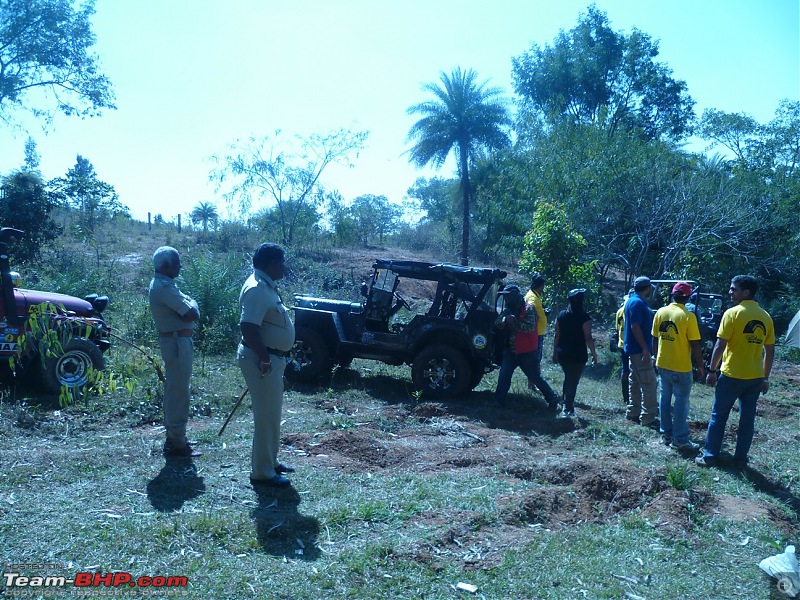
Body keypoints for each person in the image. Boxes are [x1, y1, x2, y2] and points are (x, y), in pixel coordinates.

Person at [696, 275, 775, 468]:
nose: (730, 292)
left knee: (719, 416)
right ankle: (740, 459)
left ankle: (710, 457)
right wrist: (765, 377)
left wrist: (712, 370)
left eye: (734, 289)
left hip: (732, 376)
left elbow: (719, 345)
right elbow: (770, 350)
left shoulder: (732, 313)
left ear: (745, 292)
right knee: (747, 420)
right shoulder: (765, 316)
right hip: (755, 377)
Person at [238, 243, 296, 487]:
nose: (284, 266)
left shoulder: (266, 286)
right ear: (272, 263)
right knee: (265, 415)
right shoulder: (258, 289)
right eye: (282, 261)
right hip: (262, 360)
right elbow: (248, 326)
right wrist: (264, 358)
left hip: (271, 358)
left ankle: (270, 462)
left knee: (272, 413)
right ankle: (262, 472)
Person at [148, 246, 201, 457]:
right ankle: (177, 442)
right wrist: (192, 303)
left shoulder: (166, 285)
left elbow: (188, 311)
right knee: (178, 391)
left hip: (178, 342)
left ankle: (176, 436)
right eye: (177, 262)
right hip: (177, 343)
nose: (180, 266)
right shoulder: (164, 288)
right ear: (167, 265)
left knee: (177, 389)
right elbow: (192, 312)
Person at [652, 282, 705, 450]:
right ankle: (680, 439)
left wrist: (655, 357)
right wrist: (701, 366)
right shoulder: (688, 316)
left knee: (664, 399)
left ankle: (666, 434)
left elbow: (655, 338)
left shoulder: (661, 312)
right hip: (681, 366)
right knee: (681, 401)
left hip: (663, 363)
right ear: (688, 297)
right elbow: (695, 344)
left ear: (672, 295)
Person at [552, 289, 598, 417]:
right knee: (573, 381)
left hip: (563, 354)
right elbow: (588, 338)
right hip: (578, 355)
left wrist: (554, 352)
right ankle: (568, 409)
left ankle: (566, 405)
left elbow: (557, 335)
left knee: (568, 378)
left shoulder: (561, 315)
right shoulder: (584, 317)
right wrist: (594, 354)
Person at [624, 276, 658, 428]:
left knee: (635, 381)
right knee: (649, 382)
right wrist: (645, 349)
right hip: (638, 350)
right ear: (647, 288)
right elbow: (635, 327)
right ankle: (648, 417)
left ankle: (633, 412)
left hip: (633, 349)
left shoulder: (632, 300)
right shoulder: (637, 303)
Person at [523, 273, 559, 406]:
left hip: (538, 332)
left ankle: (532, 383)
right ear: (541, 285)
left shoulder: (534, 295)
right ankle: (533, 384)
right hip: (535, 334)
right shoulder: (532, 297)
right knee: (535, 360)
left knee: (535, 359)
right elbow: (530, 309)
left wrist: (543, 312)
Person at [614, 290, 633, 405]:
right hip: (633, 345)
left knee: (625, 370)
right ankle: (632, 397)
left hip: (622, 344)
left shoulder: (619, 311)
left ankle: (626, 396)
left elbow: (617, 329)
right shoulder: (632, 310)